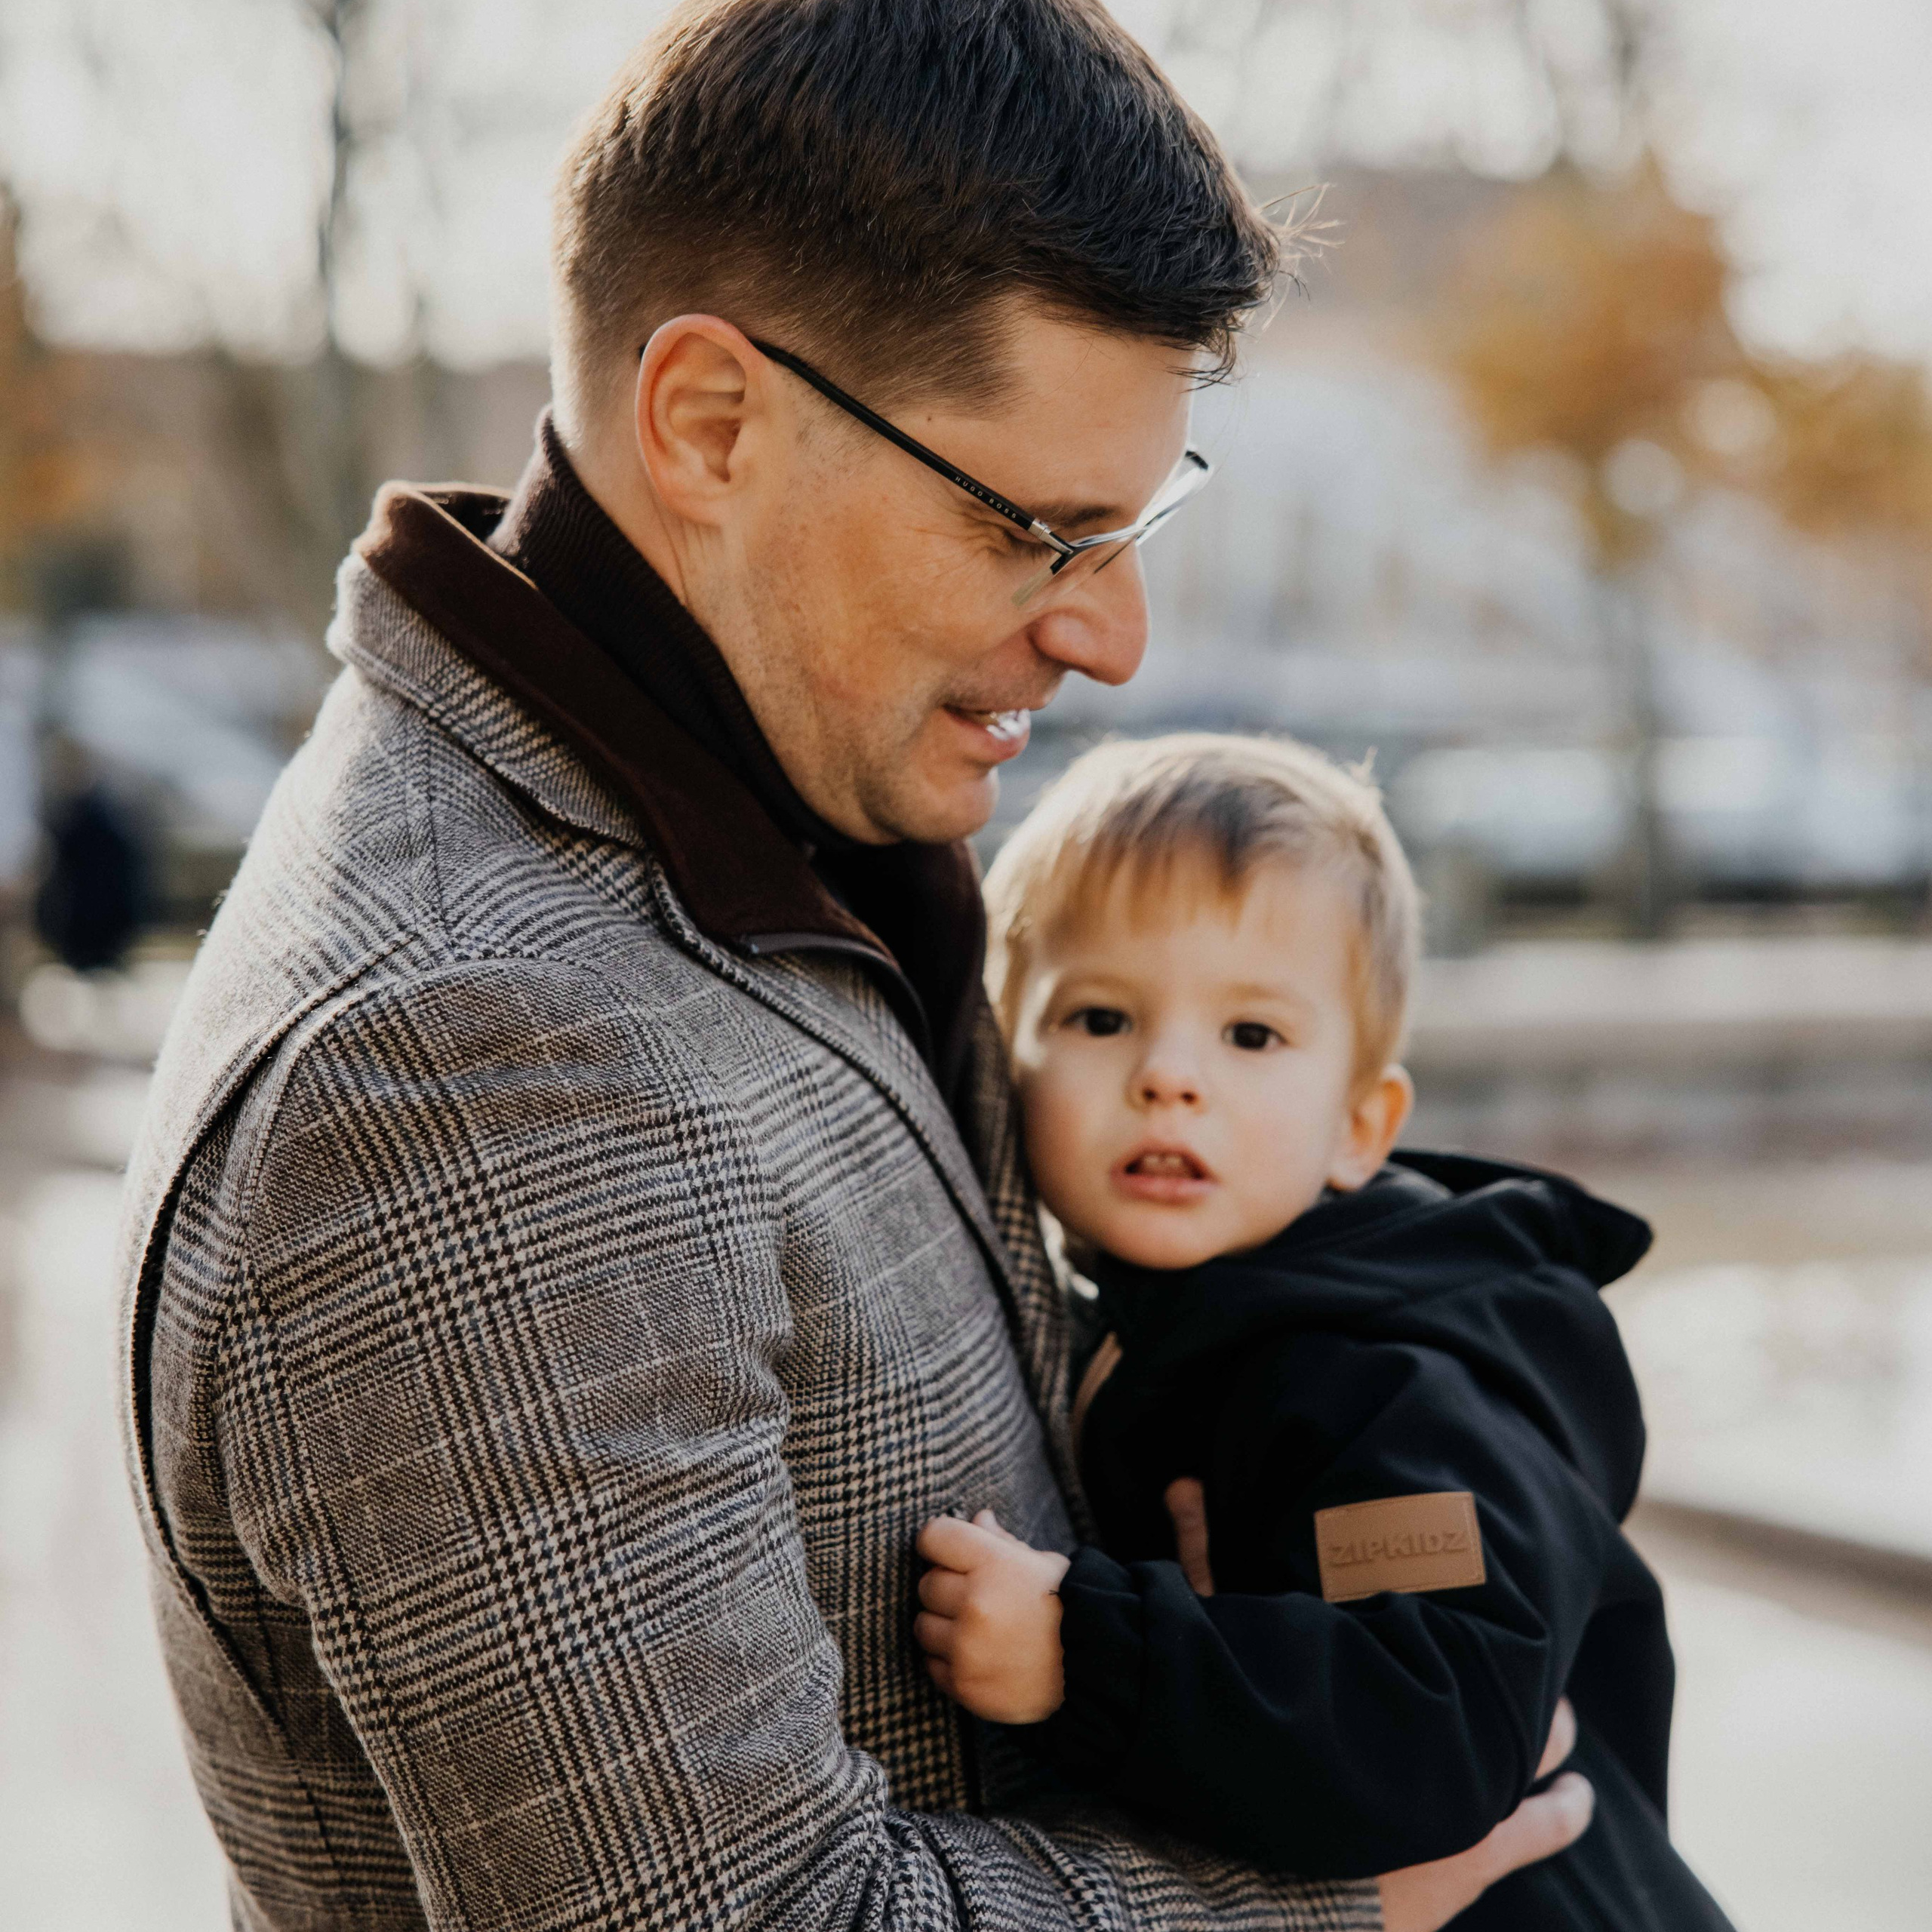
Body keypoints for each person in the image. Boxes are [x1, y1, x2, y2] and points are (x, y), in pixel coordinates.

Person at [118, 4, 1592, 1927]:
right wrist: (1347, 1893)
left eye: (1136, 523)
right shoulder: (471, 1065)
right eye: (1039, 530)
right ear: (711, 422)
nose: (1117, 637)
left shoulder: (777, 812)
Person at [913, 734, 1734, 1928]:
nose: (1169, 1077)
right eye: (1101, 1017)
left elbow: (1437, 1717)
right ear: (1004, 1063)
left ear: (1362, 1123)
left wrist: (1088, 1653)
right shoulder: (1184, 1319)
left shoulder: (1386, 1374)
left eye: (1251, 1036)